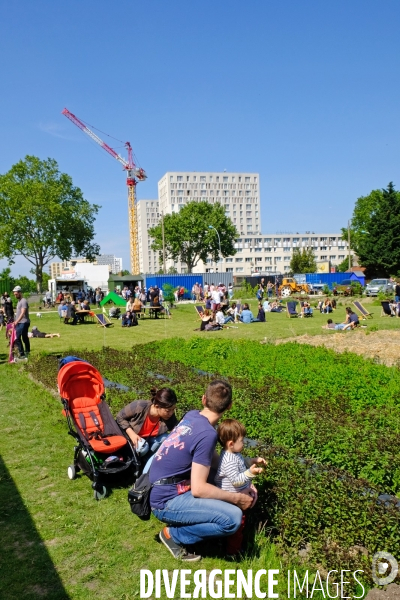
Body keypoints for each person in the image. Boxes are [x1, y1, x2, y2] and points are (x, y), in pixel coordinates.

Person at [149, 380, 254, 562]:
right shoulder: (208, 434)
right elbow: (199, 489)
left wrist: (245, 482)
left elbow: (213, 460)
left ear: (203, 399)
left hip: (157, 487)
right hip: (165, 501)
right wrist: (237, 498)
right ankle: (173, 535)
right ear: (229, 406)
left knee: (222, 484)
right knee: (233, 518)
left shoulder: (192, 416)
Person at [215, 419, 266, 555]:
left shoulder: (234, 454)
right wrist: (251, 473)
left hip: (236, 496)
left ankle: (223, 543)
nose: (243, 443)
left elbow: (242, 463)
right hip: (231, 499)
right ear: (231, 444)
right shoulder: (229, 460)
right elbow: (236, 481)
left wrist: (253, 461)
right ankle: (233, 552)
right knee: (238, 524)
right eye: (242, 441)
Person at [116, 388, 178, 473]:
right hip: (131, 440)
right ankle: (132, 462)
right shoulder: (140, 406)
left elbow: (178, 429)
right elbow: (120, 417)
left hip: (148, 441)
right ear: (157, 406)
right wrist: (132, 434)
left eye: (173, 409)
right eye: (168, 410)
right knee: (142, 448)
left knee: (165, 438)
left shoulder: (169, 417)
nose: (171, 413)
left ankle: (144, 461)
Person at [12, 285, 30, 362]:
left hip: (24, 322)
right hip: (20, 322)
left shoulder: (23, 301)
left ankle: (22, 354)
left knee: (18, 337)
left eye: (16, 294)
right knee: (24, 337)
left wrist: (16, 321)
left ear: (20, 293)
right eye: (14, 294)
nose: (15, 295)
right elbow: (18, 313)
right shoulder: (19, 301)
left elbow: (22, 313)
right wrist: (15, 320)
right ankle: (27, 352)